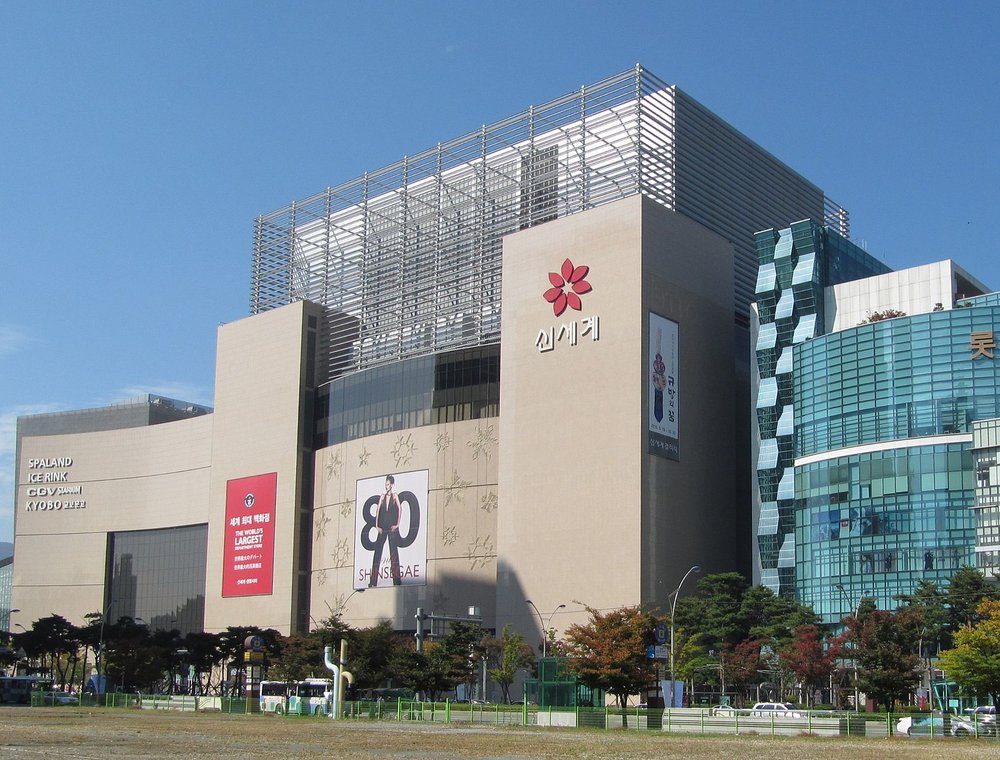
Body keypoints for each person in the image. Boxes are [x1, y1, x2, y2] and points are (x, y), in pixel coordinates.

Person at [368, 475, 402, 586]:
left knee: (394, 554)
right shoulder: (382, 496)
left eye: (388, 484)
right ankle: (373, 581)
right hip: (382, 527)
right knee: (377, 553)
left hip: (391, 527)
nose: (386, 486)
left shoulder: (395, 495)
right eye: (385, 484)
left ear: (392, 485)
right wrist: (377, 525)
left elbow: (400, 508)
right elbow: (377, 510)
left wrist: (397, 524)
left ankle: (397, 581)